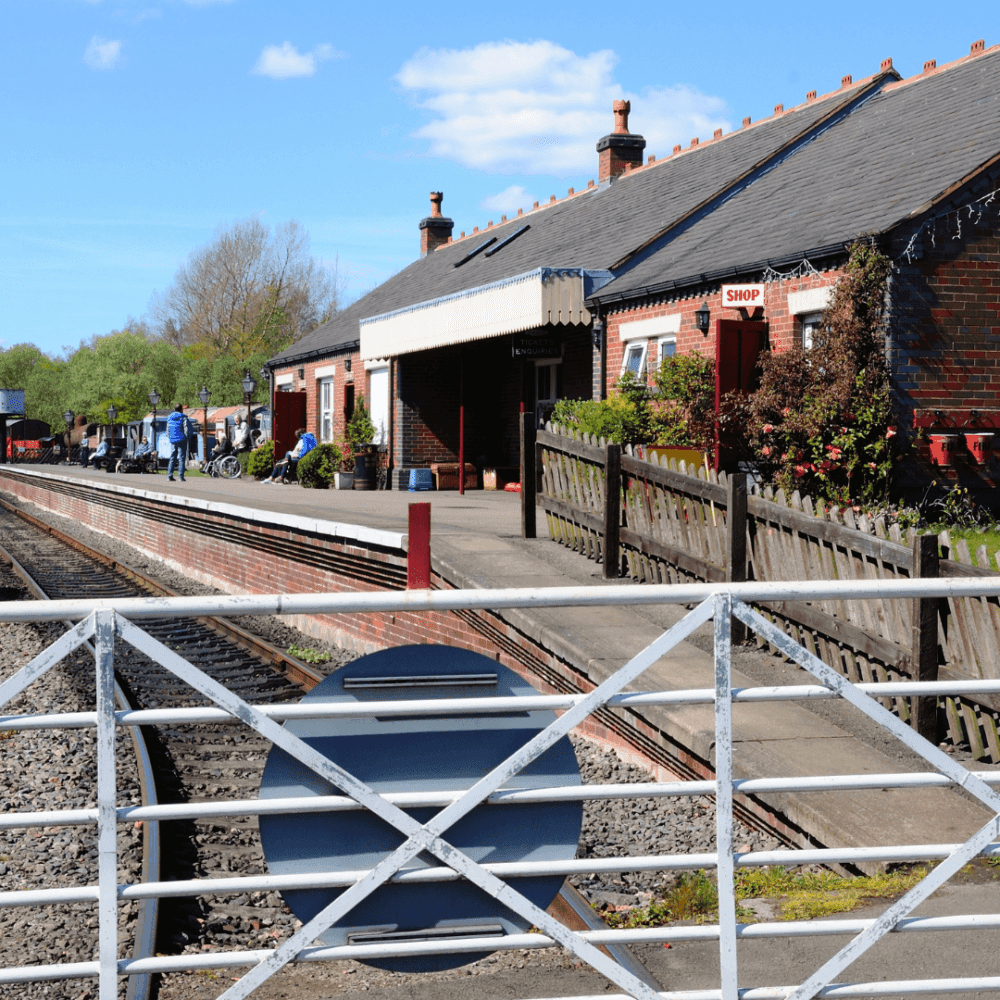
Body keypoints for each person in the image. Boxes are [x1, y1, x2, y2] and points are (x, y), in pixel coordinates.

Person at [166, 403, 191, 482]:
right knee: (181, 458)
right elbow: (186, 427)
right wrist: (186, 437)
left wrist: (169, 437)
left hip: (173, 439)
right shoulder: (183, 417)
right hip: (181, 439)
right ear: (181, 409)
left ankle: (169, 476)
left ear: (174, 409)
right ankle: (181, 477)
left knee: (172, 457)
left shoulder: (169, 417)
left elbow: (167, 429)